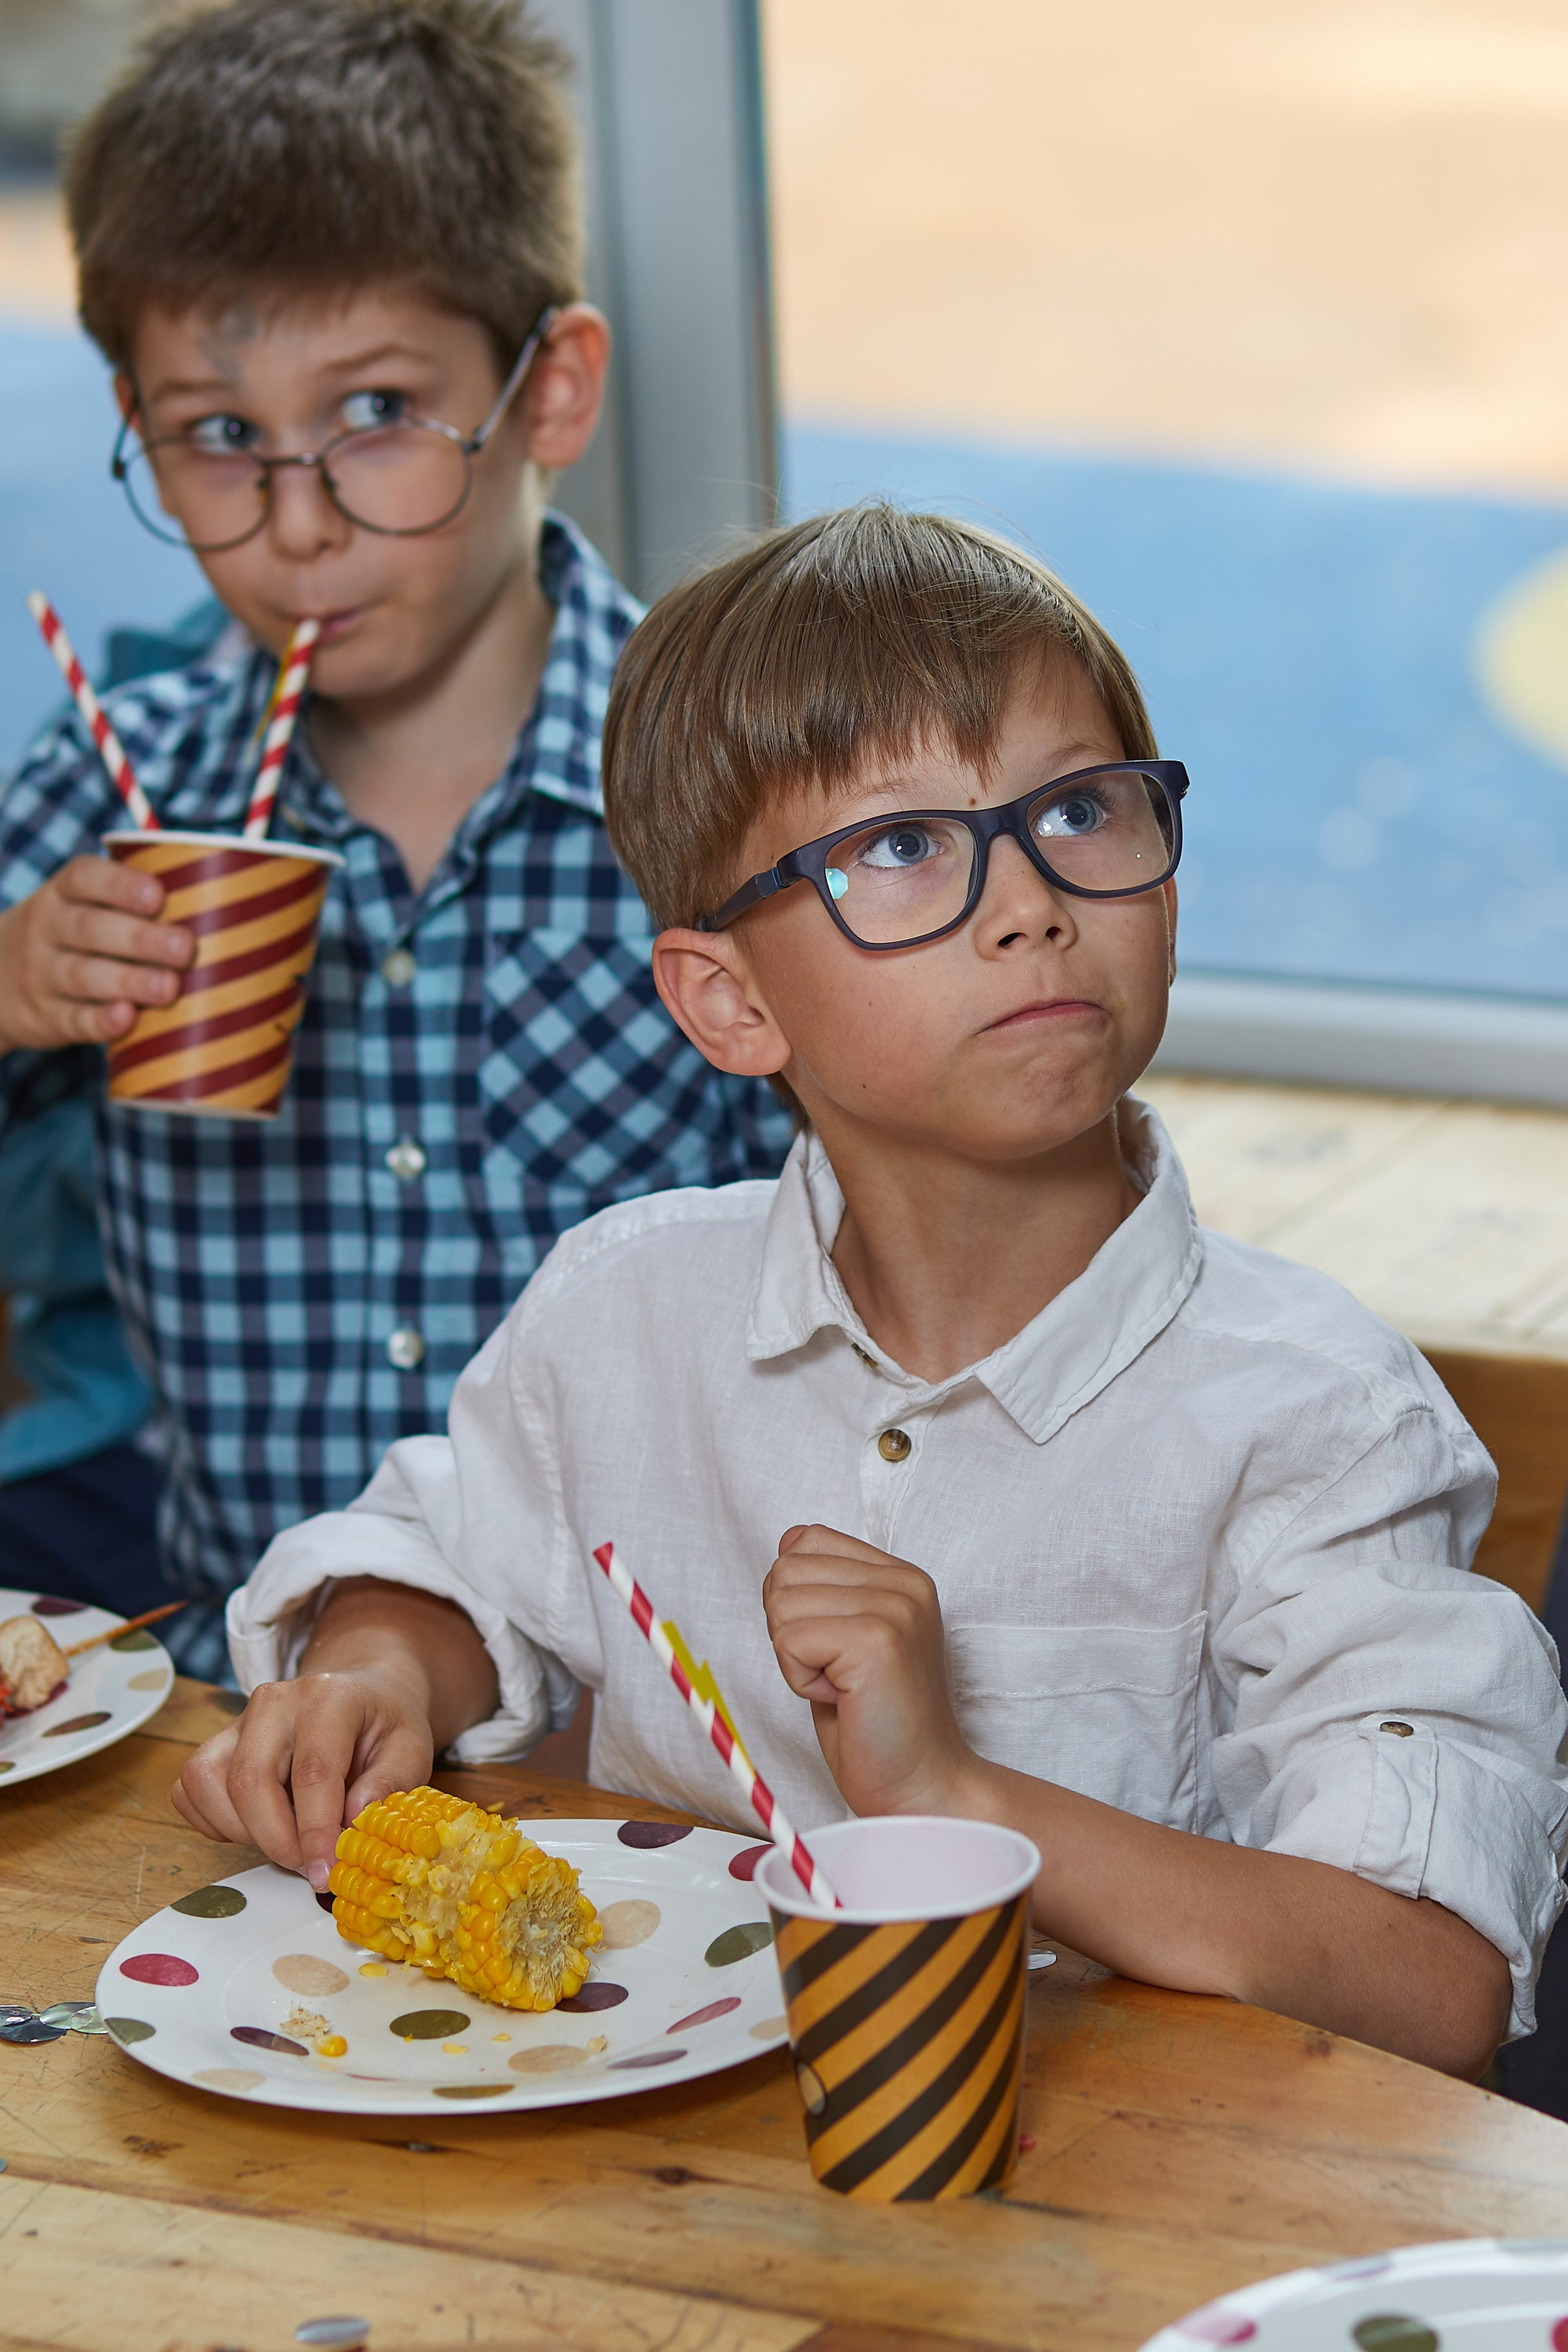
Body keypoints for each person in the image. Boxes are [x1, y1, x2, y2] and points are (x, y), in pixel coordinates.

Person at [176, 507, 1568, 2079]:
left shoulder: (1320, 1415)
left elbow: (1430, 1982)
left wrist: (955, 1797)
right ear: (728, 1001)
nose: (1031, 899)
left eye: (1084, 811)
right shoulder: (627, 1311)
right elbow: (439, 1560)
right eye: (901, 848)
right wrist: (370, 1675)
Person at [0, 0, 789, 1675]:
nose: (298, 524)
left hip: (654, 1713)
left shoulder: (734, 786)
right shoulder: (116, 797)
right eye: (218, 434)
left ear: (547, 392)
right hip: (240, 1696)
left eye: (372, 413)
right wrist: (10, 989)